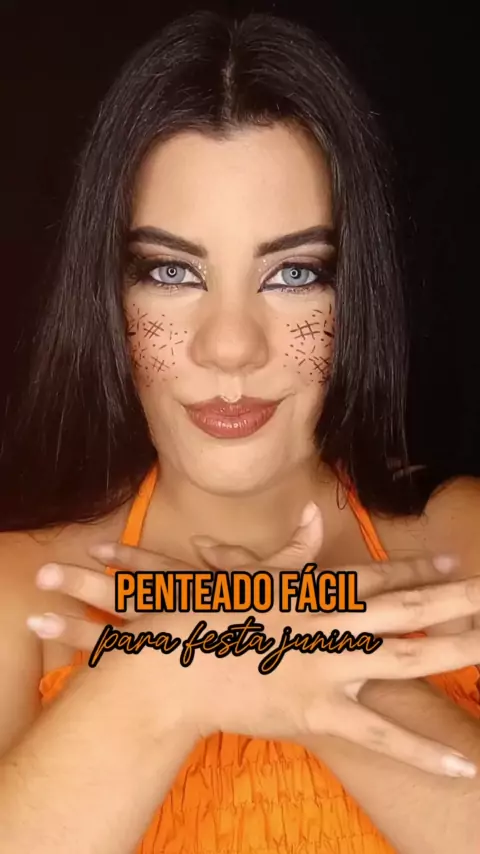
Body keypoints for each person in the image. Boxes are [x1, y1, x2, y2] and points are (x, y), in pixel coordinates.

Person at [0, 10, 479, 854]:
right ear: (110, 294)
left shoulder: (466, 546)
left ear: (355, 291)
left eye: (294, 273)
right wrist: (156, 678)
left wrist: (287, 641)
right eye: (171, 271)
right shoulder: (21, 594)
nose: (230, 346)